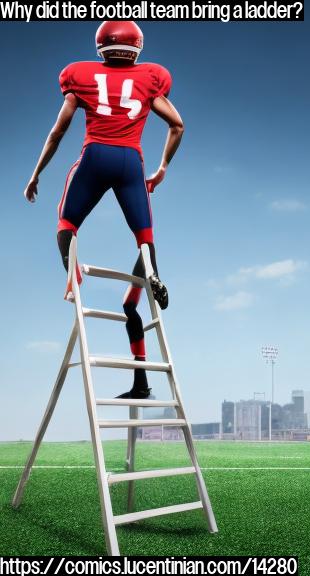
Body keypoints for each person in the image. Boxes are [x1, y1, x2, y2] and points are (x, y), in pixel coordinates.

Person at [22, 20, 185, 399]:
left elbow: (57, 131)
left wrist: (35, 174)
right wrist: (161, 169)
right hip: (132, 160)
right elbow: (177, 125)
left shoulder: (80, 77)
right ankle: (152, 273)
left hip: (95, 154)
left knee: (66, 223)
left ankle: (73, 279)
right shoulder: (150, 79)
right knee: (145, 240)